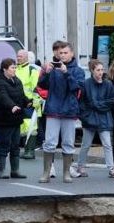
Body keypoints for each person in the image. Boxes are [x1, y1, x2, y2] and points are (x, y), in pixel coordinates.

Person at [38, 40, 85, 183]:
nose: (62, 55)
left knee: (68, 143)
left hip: (69, 110)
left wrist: (66, 73)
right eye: (60, 53)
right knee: (50, 142)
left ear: (72, 53)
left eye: (65, 53)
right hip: (53, 108)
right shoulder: (53, 68)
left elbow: (77, 88)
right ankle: (46, 173)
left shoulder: (78, 71)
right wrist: (46, 73)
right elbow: (42, 85)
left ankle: (66, 173)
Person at [74, 59, 114, 178]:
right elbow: (81, 103)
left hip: (103, 118)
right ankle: (80, 166)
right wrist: (85, 117)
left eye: (102, 70)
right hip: (90, 119)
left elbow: (112, 100)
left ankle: (111, 168)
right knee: (86, 144)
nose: (101, 72)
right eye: (98, 70)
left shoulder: (108, 84)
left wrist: (96, 105)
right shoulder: (86, 84)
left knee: (107, 144)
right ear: (92, 71)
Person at [0, 57, 32, 179]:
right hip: (3, 119)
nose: (14, 70)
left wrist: (28, 102)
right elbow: (3, 97)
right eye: (12, 68)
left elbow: (21, 95)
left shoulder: (17, 80)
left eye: (15, 67)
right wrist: (12, 106)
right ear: (5, 69)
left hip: (16, 118)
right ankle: (1, 170)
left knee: (15, 146)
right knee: (4, 144)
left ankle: (15, 171)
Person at [15, 49, 41, 159]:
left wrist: (34, 102)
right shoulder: (15, 69)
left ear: (26, 57)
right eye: (17, 56)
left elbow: (36, 87)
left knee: (31, 127)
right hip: (18, 103)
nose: (18, 58)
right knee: (22, 127)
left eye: (20, 56)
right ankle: (26, 149)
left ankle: (30, 151)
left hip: (29, 103)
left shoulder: (32, 70)